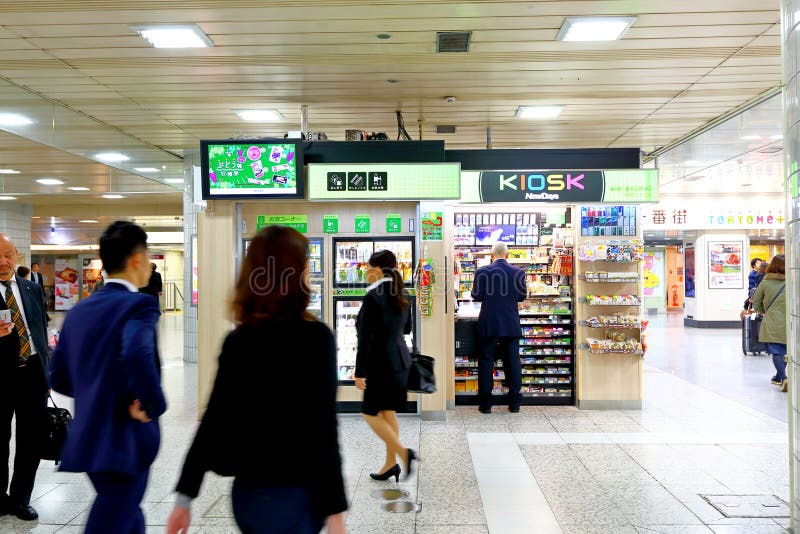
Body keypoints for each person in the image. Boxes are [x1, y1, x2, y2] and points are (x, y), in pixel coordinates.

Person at [167, 226, 346, 534]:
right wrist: (335, 511)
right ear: (294, 274)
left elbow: (214, 419)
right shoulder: (314, 339)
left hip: (248, 495)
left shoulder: (239, 340)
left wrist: (184, 498)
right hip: (298, 497)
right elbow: (322, 429)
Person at [50, 221, 166, 534]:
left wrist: (95, 391)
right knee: (112, 516)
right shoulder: (139, 305)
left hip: (88, 436)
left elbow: (58, 376)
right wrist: (151, 405)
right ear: (136, 260)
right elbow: (137, 353)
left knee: (127, 513)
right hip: (126, 439)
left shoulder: (79, 310)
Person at [354, 250, 417, 483]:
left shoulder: (373, 296)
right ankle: (390, 464)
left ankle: (403, 454)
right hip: (400, 361)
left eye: (369, 268)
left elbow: (365, 339)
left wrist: (360, 371)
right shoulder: (403, 292)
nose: (367, 273)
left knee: (369, 413)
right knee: (388, 411)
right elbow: (407, 329)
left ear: (378, 270)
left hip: (381, 364)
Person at [0, 235, 50, 521]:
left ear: (16, 254)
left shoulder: (31, 288)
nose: (3, 262)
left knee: (30, 440)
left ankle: (21, 498)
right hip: (0, 376)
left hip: (32, 372)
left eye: (8, 255)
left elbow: (40, 331)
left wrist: (47, 371)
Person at [471, 241, 527, 414]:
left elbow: (476, 296)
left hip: (488, 324)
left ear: (491, 255)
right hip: (510, 324)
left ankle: (486, 405)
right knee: (512, 362)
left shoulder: (482, 272)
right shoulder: (518, 272)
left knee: (486, 363)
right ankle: (514, 403)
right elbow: (521, 297)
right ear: (508, 255)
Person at [752, 254, 787, 390]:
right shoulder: (791, 282)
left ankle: (783, 378)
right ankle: (779, 376)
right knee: (786, 350)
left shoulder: (765, 282)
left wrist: (762, 310)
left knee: (777, 350)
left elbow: (756, 302)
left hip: (772, 321)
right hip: (791, 322)